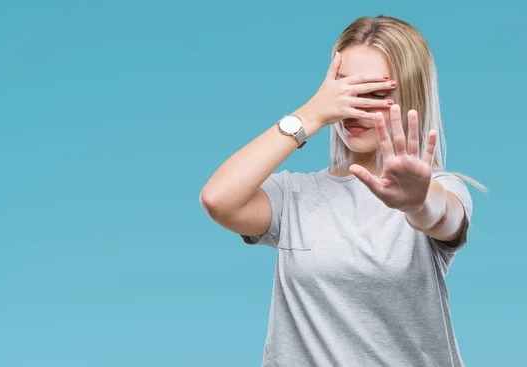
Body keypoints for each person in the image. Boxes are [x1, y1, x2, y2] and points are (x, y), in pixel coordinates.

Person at [199, 15, 487, 367]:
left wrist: (418, 203)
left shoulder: (440, 188)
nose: (355, 107)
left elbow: (444, 216)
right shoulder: (294, 196)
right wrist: (311, 114)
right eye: (346, 90)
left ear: (410, 96)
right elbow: (218, 198)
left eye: (376, 94)